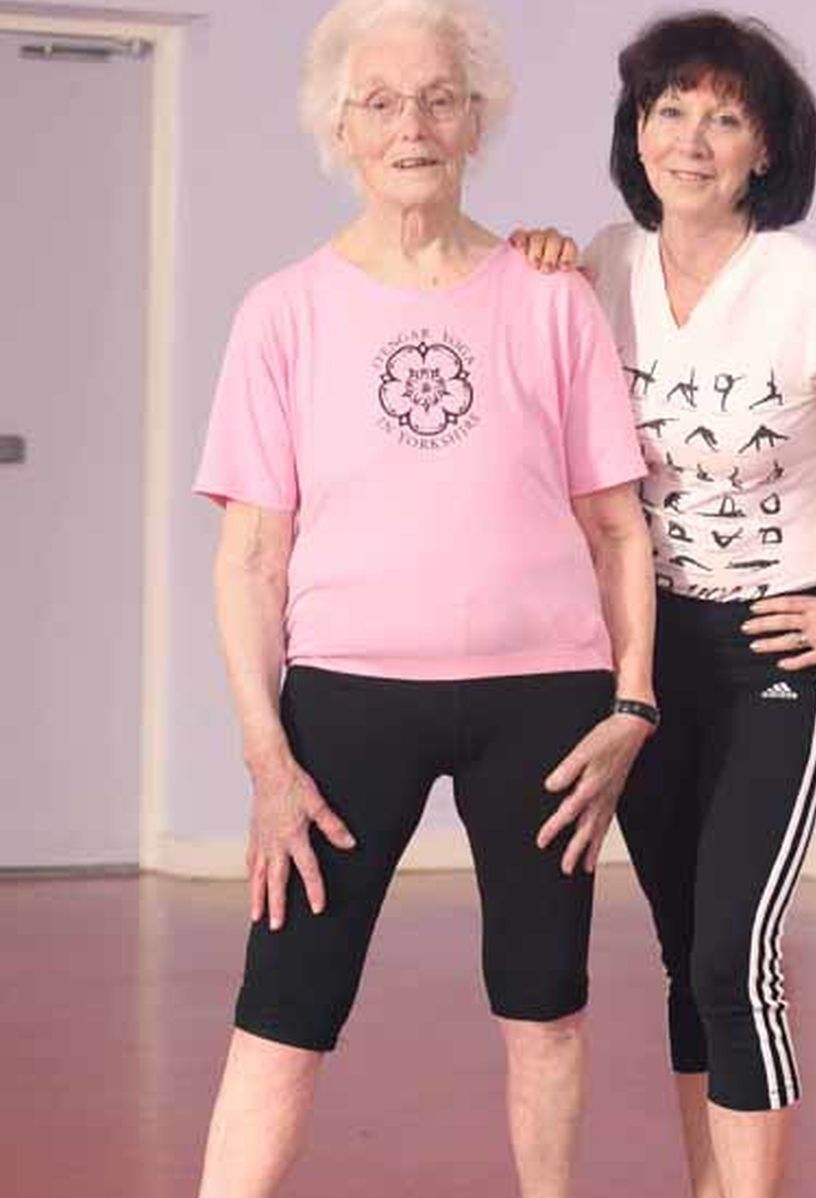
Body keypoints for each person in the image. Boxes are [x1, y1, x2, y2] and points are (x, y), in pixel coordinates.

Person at [512, 12, 816, 1198]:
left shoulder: (811, 289)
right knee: (687, 958)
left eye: (724, 118)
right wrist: (534, 256)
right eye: (669, 111)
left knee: (738, 956)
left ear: (766, 151)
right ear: (637, 131)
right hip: (636, 648)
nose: (691, 139)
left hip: (765, 653)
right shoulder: (601, 261)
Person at [191, 2, 657, 1195]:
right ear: (339, 126)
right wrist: (264, 752)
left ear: (476, 122)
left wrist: (632, 703)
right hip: (347, 703)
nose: (414, 125)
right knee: (283, 1011)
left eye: (441, 99)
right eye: (384, 101)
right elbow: (249, 558)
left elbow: (616, 523)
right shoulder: (281, 313)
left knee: (546, 1009)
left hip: (542, 702)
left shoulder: (552, 298)